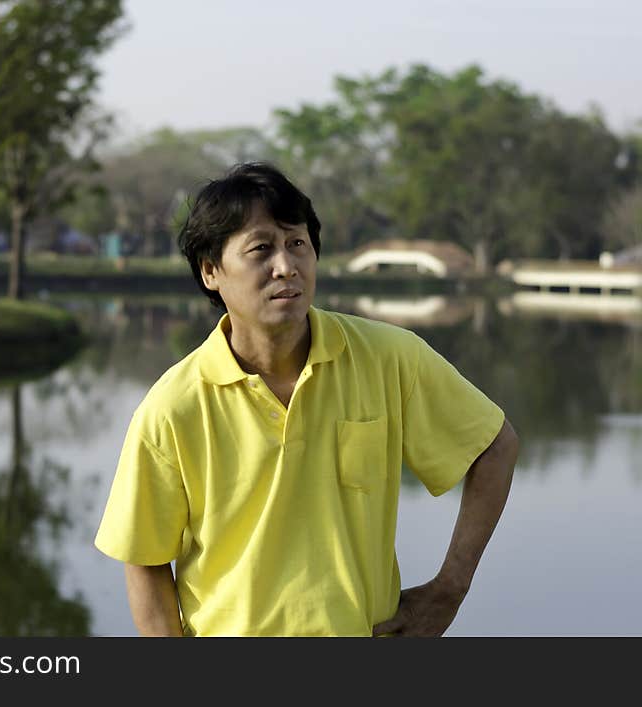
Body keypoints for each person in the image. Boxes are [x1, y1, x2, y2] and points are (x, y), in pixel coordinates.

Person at [94, 162, 519, 637]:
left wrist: (449, 589)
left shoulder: (389, 358)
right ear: (211, 271)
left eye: (297, 243)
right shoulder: (173, 407)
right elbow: (146, 563)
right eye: (261, 249)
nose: (286, 265)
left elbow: (494, 447)